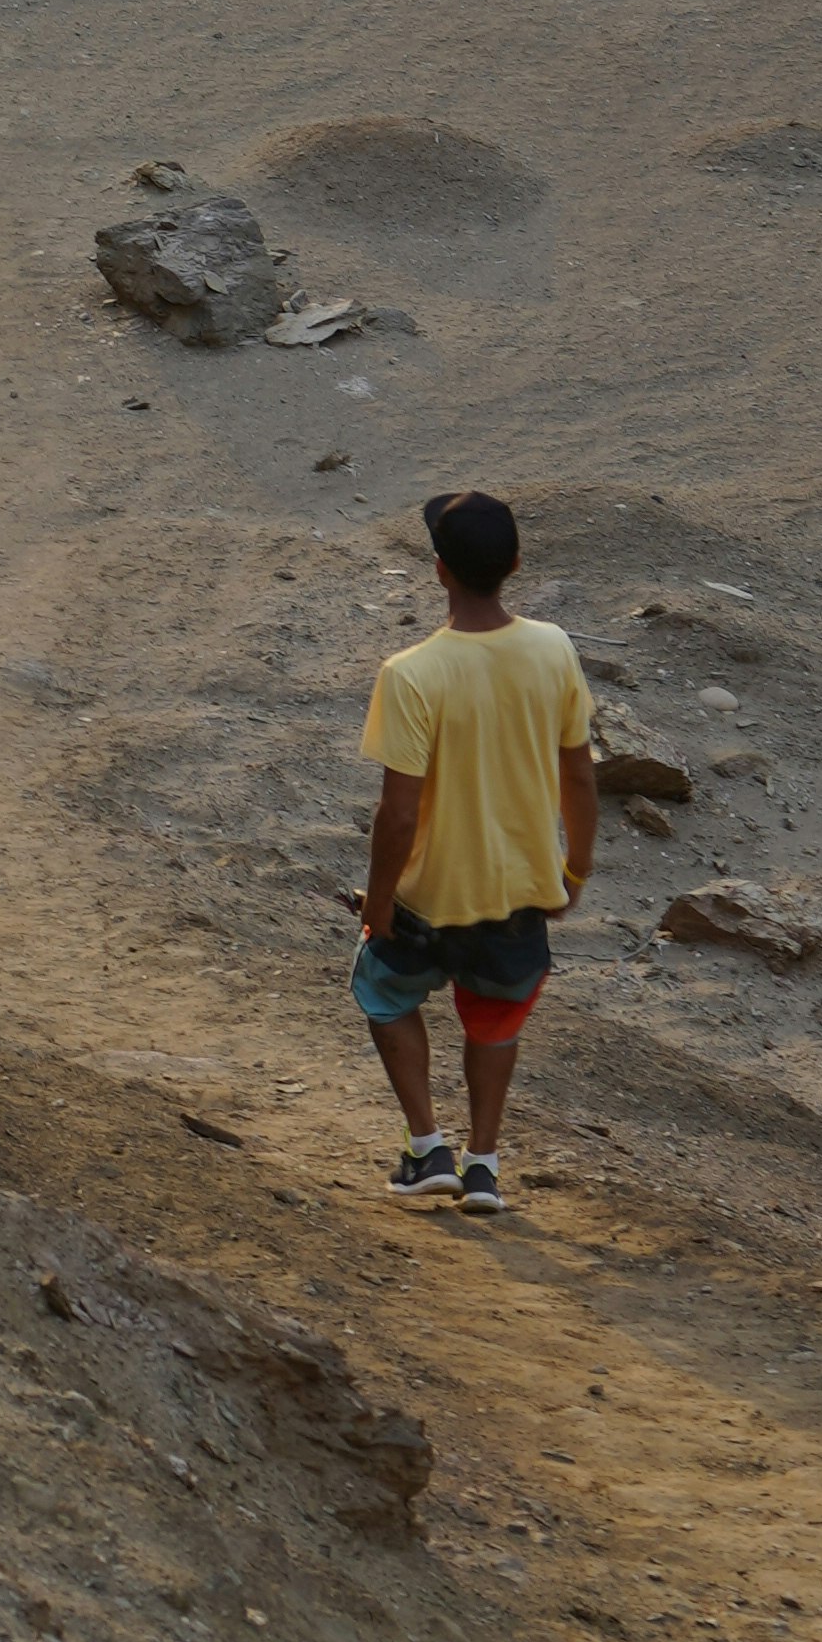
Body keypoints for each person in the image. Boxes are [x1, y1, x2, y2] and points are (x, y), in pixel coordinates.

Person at [346, 485, 596, 1215]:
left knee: (383, 992)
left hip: (430, 894)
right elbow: (579, 774)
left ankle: (427, 1148)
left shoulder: (411, 673)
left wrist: (381, 901)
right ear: (515, 563)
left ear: (438, 572)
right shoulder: (553, 650)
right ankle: (483, 1165)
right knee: (494, 1019)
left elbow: (398, 814)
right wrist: (574, 868)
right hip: (521, 887)